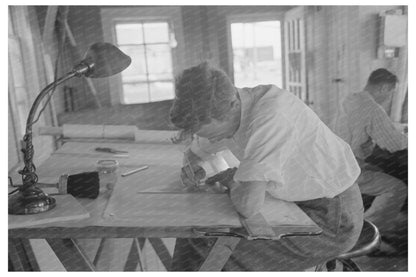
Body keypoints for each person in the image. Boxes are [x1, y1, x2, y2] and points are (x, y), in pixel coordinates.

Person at [168, 62, 363, 271]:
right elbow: (195, 152)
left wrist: (235, 181)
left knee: (212, 250)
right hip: (297, 203)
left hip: (333, 218)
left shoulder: (269, 116)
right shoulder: (223, 109)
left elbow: (248, 206)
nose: (214, 139)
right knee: (194, 236)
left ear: (232, 106)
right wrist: (197, 168)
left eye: (216, 134)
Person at [334, 68, 407, 247]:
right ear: (383, 88)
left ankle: (366, 224)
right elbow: (395, 143)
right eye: (391, 92)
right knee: (397, 188)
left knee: (379, 169)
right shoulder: (371, 107)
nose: (390, 97)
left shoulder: (352, 98)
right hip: (347, 167)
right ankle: (365, 234)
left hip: (336, 160)